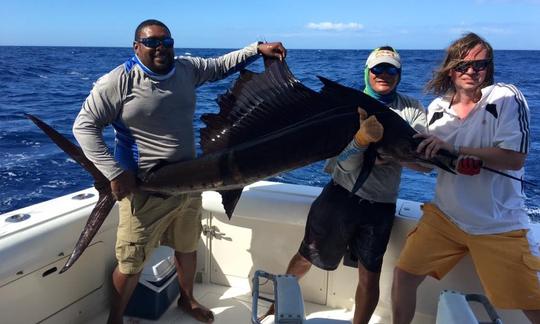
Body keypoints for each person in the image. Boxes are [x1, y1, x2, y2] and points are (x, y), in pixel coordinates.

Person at [72, 19, 286, 324]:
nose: (161, 48)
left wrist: (257, 49)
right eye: (152, 42)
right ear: (137, 47)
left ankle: (188, 300)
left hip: (189, 182)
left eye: (167, 42)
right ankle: (115, 319)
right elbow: (84, 126)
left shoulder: (186, 69)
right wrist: (114, 173)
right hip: (144, 189)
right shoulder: (118, 81)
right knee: (131, 262)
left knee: (187, 247)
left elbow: (220, 66)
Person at [260, 46, 427, 324]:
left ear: (399, 74)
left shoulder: (412, 108)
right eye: (377, 69)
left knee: (369, 274)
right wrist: (362, 143)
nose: (383, 74)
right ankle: (276, 307)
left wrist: (386, 152)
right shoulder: (348, 105)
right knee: (305, 257)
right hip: (340, 197)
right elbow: (343, 164)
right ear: (367, 72)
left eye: (391, 69)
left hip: (381, 206)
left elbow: (423, 160)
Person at [391, 32, 540, 324]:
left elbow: (515, 158)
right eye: (463, 65)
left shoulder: (506, 97)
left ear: (489, 68)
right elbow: (428, 165)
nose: (471, 71)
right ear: (450, 68)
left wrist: (458, 150)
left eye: (480, 65)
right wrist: (395, 157)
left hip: (497, 224)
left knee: (532, 303)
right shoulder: (436, 110)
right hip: (445, 218)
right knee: (404, 277)